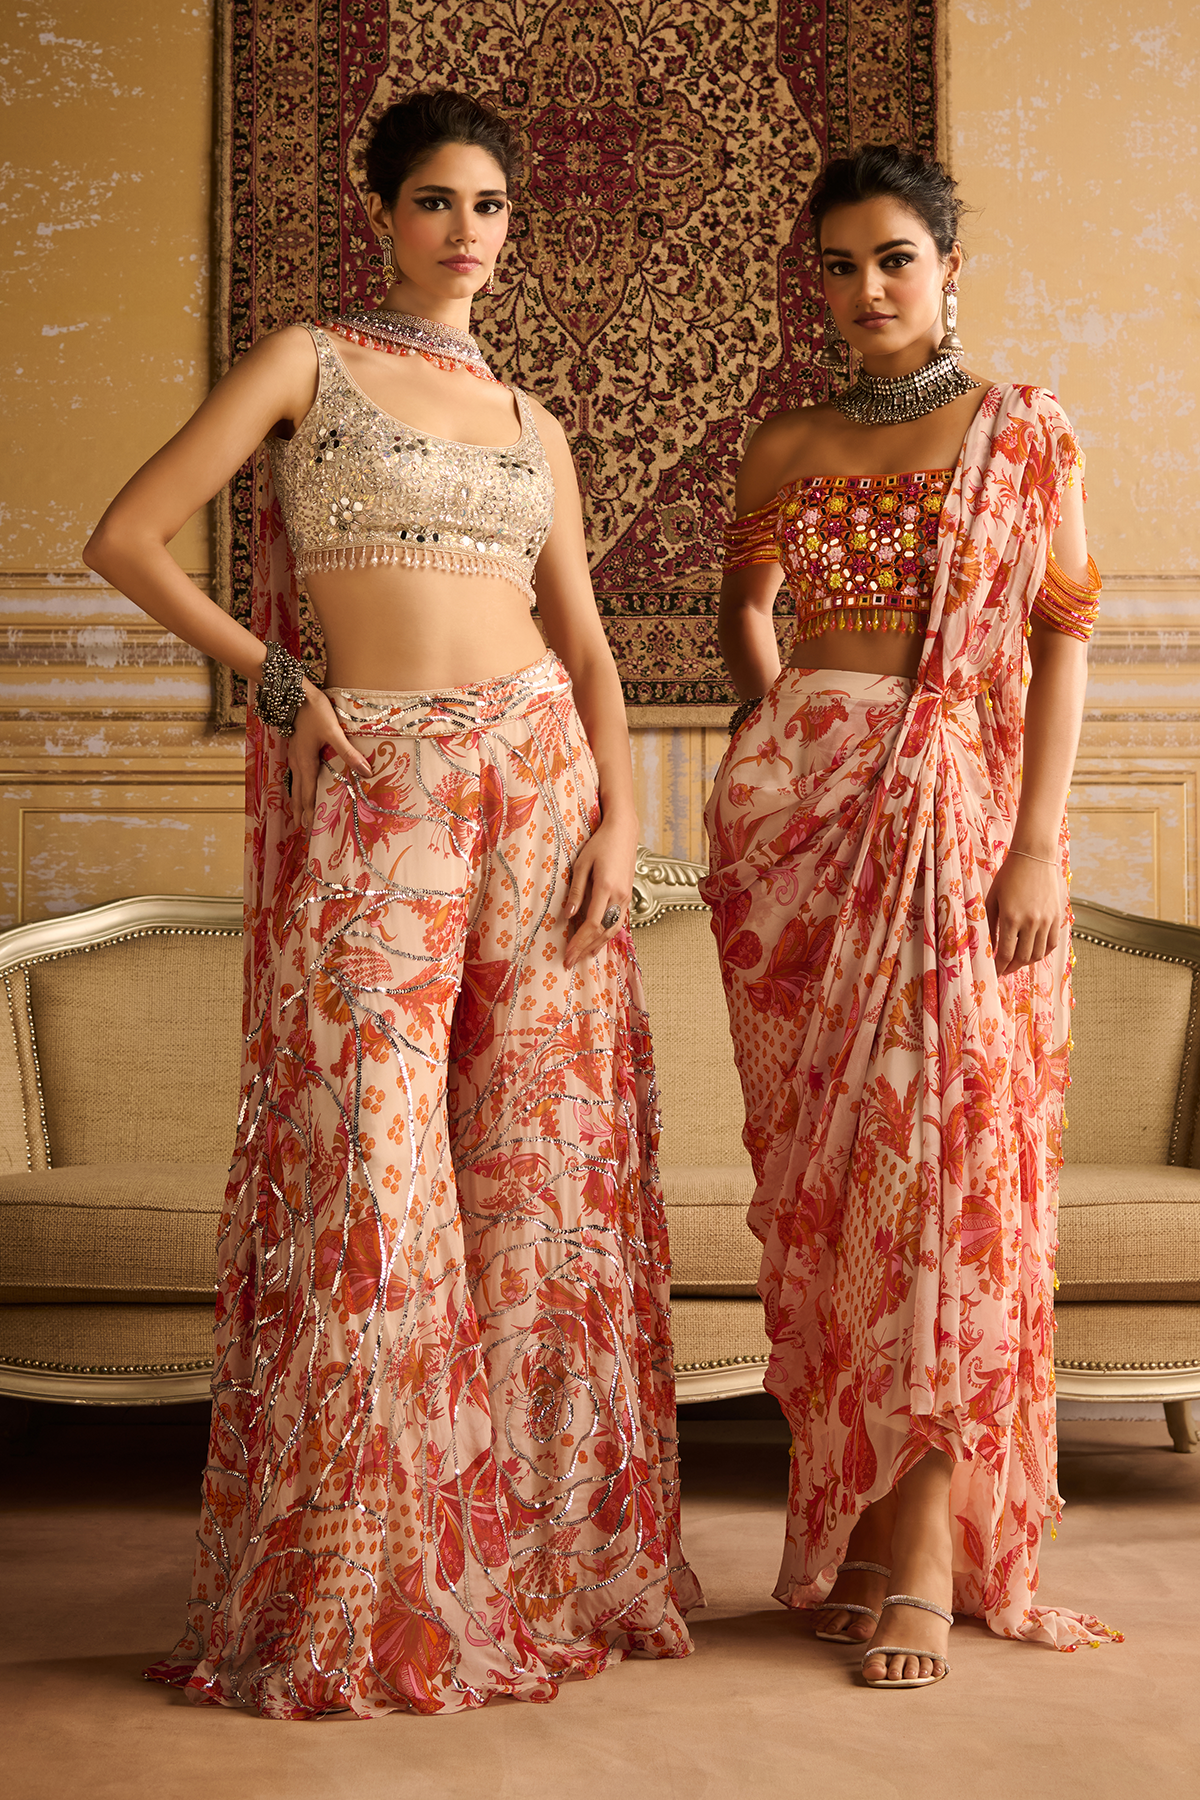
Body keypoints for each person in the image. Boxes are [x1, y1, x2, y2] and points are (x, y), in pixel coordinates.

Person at [83, 87, 699, 1719]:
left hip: (543, 781)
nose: (466, 232)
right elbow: (126, 538)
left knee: (536, 1168)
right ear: (380, 211)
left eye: (490, 207)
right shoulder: (307, 362)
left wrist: (625, 818)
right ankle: (363, 1583)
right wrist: (278, 682)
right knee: (367, 1161)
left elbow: (587, 643)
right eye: (436, 201)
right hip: (385, 778)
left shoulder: (535, 422)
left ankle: (539, 1570)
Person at [701, 144, 1121, 1689]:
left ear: (949, 269)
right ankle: (870, 1533)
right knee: (836, 1197)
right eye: (838, 264)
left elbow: (1064, 642)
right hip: (797, 840)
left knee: (942, 1172)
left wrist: (1035, 846)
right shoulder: (787, 442)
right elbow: (746, 614)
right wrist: (781, 740)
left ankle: (930, 1549)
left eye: (895, 259)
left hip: (956, 823)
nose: (866, 288)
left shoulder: (1025, 431)